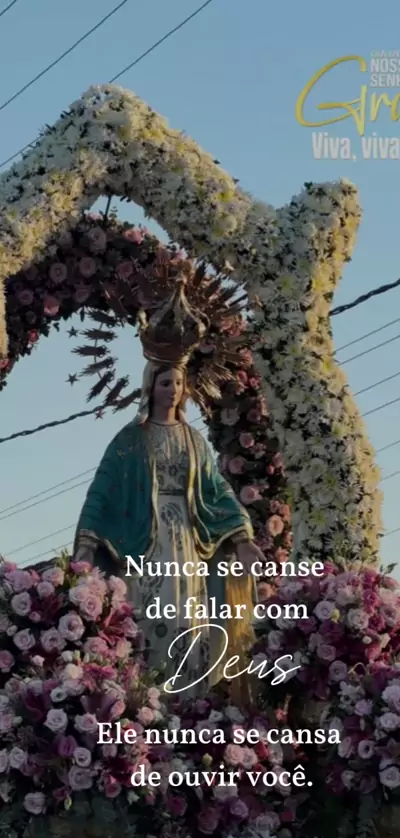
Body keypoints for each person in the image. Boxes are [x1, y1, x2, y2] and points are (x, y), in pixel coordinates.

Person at [73, 285, 264, 703]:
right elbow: (102, 490)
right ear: (151, 385)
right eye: (165, 382)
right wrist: (87, 543)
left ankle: (188, 702)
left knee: (188, 617)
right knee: (146, 616)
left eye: (178, 383)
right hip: (145, 540)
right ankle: (144, 700)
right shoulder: (130, 440)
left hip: (187, 545)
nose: (173, 390)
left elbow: (216, 489)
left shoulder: (194, 441)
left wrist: (242, 538)